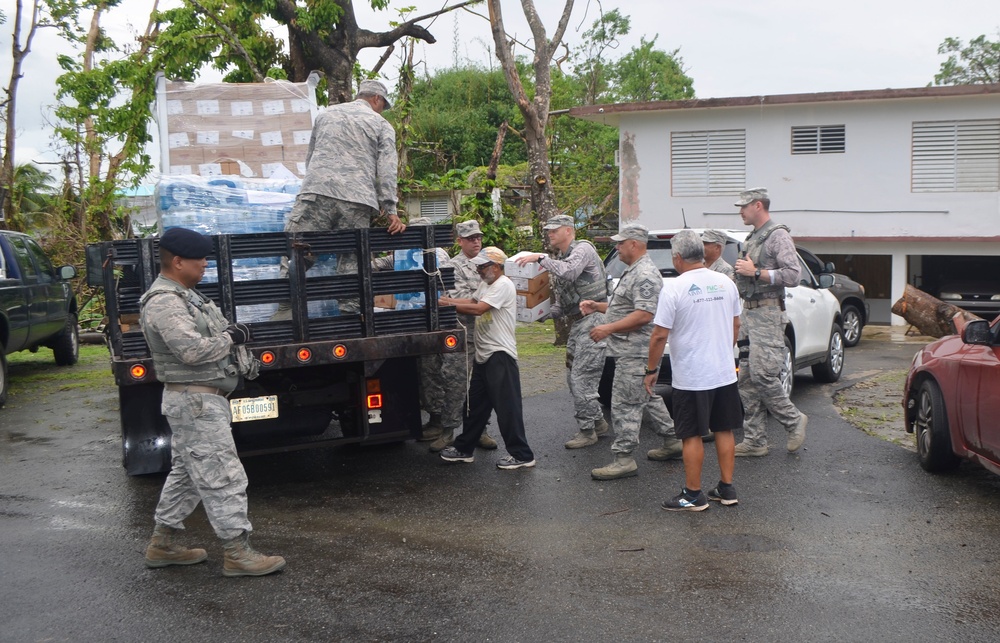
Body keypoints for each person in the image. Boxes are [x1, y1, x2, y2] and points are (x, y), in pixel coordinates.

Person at [140, 227, 285, 577]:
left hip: (201, 400)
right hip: (195, 402)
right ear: (177, 262)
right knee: (222, 473)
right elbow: (190, 351)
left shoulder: (187, 296)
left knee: (188, 474)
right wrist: (230, 336)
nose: (206, 265)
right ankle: (237, 552)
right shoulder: (165, 302)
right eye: (200, 259)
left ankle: (164, 543)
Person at [276, 79, 404, 317]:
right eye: (383, 104)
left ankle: (285, 308)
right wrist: (390, 208)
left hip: (317, 192)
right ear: (376, 99)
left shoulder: (325, 115)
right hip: (357, 201)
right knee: (352, 261)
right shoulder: (381, 124)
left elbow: (311, 156)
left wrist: (316, 184)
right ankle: (351, 316)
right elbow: (387, 170)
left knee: (298, 247)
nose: (382, 109)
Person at [645, 229, 743, 511]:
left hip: (692, 375)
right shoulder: (725, 282)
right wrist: (723, 351)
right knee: (724, 429)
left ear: (677, 258)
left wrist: (651, 369)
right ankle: (726, 487)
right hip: (723, 371)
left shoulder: (674, 288)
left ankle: (693, 494)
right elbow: (735, 324)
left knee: (692, 434)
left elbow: (659, 335)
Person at [584, 223, 682, 480]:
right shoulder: (633, 271)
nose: (616, 248)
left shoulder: (645, 274)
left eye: (620, 243)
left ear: (634, 244)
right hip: (631, 349)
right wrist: (598, 306)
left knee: (624, 404)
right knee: (646, 396)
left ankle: (624, 458)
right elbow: (626, 308)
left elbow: (644, 315)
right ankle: (673, 440)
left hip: (636, 351)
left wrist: (607, 329)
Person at [514, 214, 610, 449]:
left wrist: (540, 258)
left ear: (568, 230)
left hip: (594, 320)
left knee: (581, 378)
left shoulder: (582, 249)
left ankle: (587, 431)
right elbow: (562, 306)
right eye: (548, 230)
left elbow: (569, 272)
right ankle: (597, 422)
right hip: (578, 324)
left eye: (554, 230)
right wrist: (539, 314)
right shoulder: (562, 258)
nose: (549, 233)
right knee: (572, 377)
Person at [438, 247, 536, 470]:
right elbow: (472, 302)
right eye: (478, 266)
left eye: (483, 266)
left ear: (497, 266)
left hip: (499, 355)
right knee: (474, 406)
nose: (479, 270)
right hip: (484, 356)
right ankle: (464, 448)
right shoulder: (487, 284)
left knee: (507, 407)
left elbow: (479, 309)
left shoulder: (503, 284)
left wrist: (445, 304)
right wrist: (448, 300)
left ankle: (522, 454)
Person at [732, 187, 808, 456]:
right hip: (750, 314)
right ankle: (755, 440)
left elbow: (793, 276)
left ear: (758, 205)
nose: (740, 211)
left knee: (764, 375)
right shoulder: (752, 237)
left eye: (744, 206)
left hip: (768, 313)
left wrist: (757, 272)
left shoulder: (778, 236)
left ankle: (793, 419)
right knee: (747, 379)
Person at [425, 220, 498, 452]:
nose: (476, 241)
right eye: (470, 238)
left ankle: (480, 430)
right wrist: (483, 299)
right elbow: (462, 300)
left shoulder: (488, 263)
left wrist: (482, 299)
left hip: (487, 335)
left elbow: (490, 294)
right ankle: (448, 431)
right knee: (455, 384)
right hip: (463, 335)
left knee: (482, 387)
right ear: (459, 241)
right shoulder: (453, 267)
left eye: (478, 237)